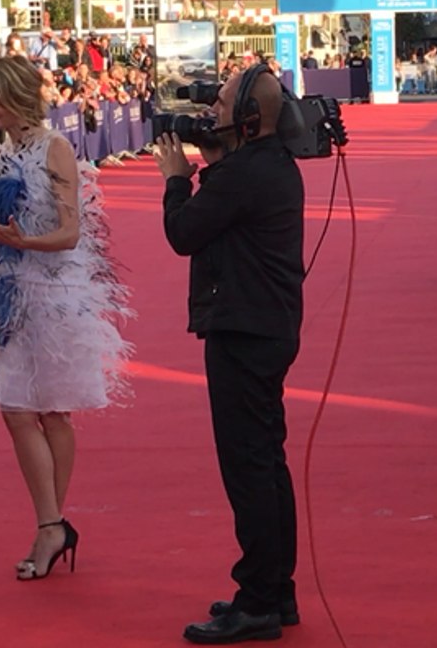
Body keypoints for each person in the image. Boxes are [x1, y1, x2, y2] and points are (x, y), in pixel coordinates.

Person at [155, 66, 305, 644]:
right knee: (267, 462)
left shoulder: (243, 175)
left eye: (217, 105)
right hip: (267, 327)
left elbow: (183, 233)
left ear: (246, 118)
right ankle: (276, 589)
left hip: (244, 332)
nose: (207, 113)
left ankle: (259, 600)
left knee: (248, 469)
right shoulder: (268, 163)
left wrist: (175, 178)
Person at [0, 56, 131, 582]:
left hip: (56, 293)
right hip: (12, 294)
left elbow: (69, 235)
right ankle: (52, 524)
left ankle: (50, 526)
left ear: (18, 97)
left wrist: (24, 242)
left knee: (52, 412)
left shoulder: (55, 149)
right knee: (18, 409)